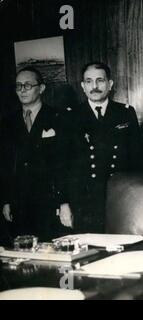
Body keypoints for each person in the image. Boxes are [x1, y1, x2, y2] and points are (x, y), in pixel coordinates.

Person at [59, 62, 143, 233]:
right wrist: (63, 203)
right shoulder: (70, 116)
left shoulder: (125, 112)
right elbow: (62, 164)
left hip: (120, 198)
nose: (95, 86)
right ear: (83, 86)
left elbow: (138, 159)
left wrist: (138, 199)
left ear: (110, 84)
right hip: (84, 202)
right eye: (89, 81)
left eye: (100, 80)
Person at [0, 67, 65, 241]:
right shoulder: (7, 122)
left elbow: (66, 164)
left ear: (41, 88)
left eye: (27, 85)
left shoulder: (59, 117)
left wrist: (64, 202)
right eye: (18, 86)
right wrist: (6, 201)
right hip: (19, 204)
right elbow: (5, 165)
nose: (22, 90)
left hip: (49, 203)